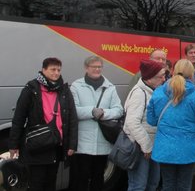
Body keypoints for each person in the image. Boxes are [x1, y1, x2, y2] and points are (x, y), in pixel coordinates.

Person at [9, 58, 78, 191]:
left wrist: (72, 144)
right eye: (53, 69)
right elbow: (19, 118)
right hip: (37, 145)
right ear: (43, 70)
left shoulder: (64, 90)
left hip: (56, 146)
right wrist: (13, 144)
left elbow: (72, 119)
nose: (56, 73)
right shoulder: (31, 89)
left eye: (58, 70)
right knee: (36, 183)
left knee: (50, 183)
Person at [147, 59, 195, 191]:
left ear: (173, 71)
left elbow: (152, 120)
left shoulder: (158, 92)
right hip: (188, 149)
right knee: (184, 185)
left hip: (164, 149)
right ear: (192, 74)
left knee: (168, 185)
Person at [70, 56, 124, 191]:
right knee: (81, 178)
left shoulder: (110, 87)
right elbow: (72, 111)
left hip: (103, 143)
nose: (97, 69)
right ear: (86, 68)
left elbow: (119, 110)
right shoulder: (77, 86)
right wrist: (91, 111)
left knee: (98, 178)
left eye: (100, 67)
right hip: (82, 144)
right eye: (94, 67)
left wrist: (104, 113)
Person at [124, 60, 165, 191]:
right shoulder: (139, 93)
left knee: (153, 183)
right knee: (138, 185)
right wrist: (146, 146)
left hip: (153, 147)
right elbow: (132, 122)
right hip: (140, 148)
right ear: (149, 78)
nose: (164, 79)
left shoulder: (153, 91)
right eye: (160, 76)